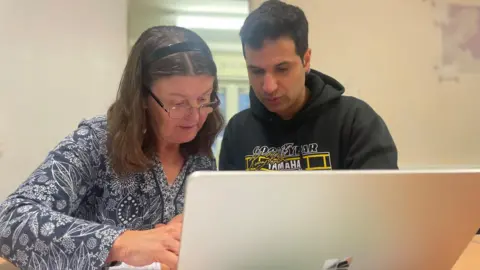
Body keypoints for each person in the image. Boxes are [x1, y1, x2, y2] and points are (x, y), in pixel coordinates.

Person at [0, 26, 224, 270]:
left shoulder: (200, 156)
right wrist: (121, 242)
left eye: (204, 98)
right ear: (142, 98)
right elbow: (10, 221)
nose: (195, 117)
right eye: (178, 103)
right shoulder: (97, 140)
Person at [219, 0, 398, 171]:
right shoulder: (238, 131)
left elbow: (380, 201)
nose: (269, 87)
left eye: (282, 69)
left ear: (306, 60)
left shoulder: (355, 121)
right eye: (257, 71)